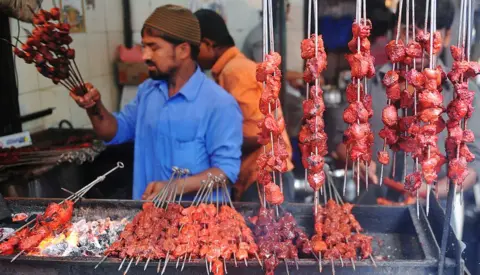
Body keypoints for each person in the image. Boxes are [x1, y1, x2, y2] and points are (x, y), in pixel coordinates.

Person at [69, 5, 243, 201]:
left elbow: (225, 173)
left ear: (184, 50)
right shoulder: (148, 91)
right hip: (147, 219)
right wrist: (93, 106)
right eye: (144, 46)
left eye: (154, 47)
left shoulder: (219, 103)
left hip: (196, 225)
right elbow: (114, 131)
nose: (145, 56)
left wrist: (175, 187)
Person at [335, 0, 480, 200]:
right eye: (410, 31)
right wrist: (357, 160)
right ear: (396, 33)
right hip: (371, 204)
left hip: (435, 210)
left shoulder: (463, 92)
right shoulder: (367, 85)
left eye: (430, 34)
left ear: (446, 37)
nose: (419, 42)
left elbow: (473, 162)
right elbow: (341, 140)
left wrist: (433, 192)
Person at [194, 9, 296, 202]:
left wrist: (209, 143)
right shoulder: (232, 69)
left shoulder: (235, 72)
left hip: (266, 178)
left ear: (208, 44)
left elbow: (258, 134)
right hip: (260, 177)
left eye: (194, 48)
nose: (191, 56)